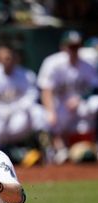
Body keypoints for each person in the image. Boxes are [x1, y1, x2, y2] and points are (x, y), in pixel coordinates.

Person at [37, 30, 98, 164]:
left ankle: (92, 145)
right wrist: (51, 112)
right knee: (43, 117)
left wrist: (80, 98)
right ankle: (58, 150)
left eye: (76, 46)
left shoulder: (87, 63)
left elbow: (94, 86)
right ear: (63, 47)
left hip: (79, 104)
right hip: (59, 105)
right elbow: (46, 90)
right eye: (70, 46)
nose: (73, 50)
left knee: (95, 103)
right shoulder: (53, 62)